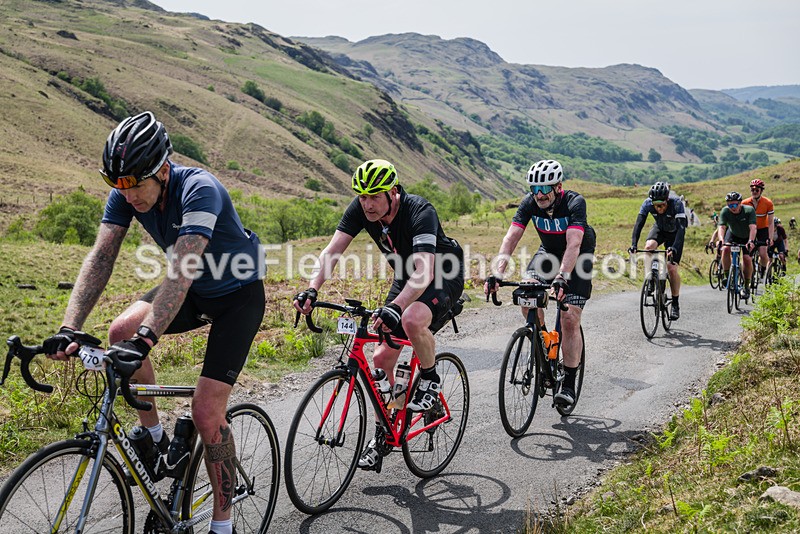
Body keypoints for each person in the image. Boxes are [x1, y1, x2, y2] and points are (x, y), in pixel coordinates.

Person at [42, 111, 264, 534]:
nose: (127, 196)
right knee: (118, 332)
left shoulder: (200, 189)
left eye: (135, 185)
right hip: (194, 292)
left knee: (206, 411)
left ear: (162, 169)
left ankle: (223, 523)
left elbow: (181, 270)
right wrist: (69, 326)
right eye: (117, 185)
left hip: (238, 297)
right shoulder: (126, 191)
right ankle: (159, 441)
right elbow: (103, 257)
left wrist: (146, 340)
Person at [293, 159, 464, 471]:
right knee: (381, 359)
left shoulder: (419, 211)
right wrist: (312, 288)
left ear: (393, 192)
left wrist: (396, 307)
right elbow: (332, 251)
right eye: (362, 197)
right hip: (405, 277)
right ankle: (383, 433)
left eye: (374, 197)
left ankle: (430, 378)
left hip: (441, 274)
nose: (367, 204)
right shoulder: (360, 209)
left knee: (411, 319)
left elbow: (424, 271)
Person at [485, 159, 595, 407]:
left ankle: (568, 382)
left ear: (558, 186)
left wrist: (562, 277)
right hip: (548, 253)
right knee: (527, 292)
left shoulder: (574, 203)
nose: (540, 194)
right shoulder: (529, 203)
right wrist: (497, 273)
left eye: (545, 189)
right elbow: (511, 237)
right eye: (535, 189)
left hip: (578, 257)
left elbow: (574, 244)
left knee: (569, 319)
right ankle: (546, 342)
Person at [628, 181, 686, 320]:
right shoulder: (647, 203)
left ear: (667, 200)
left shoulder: (677, 204)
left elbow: (681, 230)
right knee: (649, 247)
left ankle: (676, 303)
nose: (659, 208)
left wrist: (674, 248)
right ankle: (651, 279)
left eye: (662, 205)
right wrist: (634, 244)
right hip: (660, 229)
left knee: (672, 268)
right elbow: (639, 224)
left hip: (675, 233)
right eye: (656, 205)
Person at [712, 192, 757, 299]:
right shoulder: (725, 211)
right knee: (726, 249)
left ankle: (746, 286)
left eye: (735, 204)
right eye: (730, 205)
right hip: (733, 234)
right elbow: (722, 227)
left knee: (746, 258)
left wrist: (751, 241)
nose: (733, 207)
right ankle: (728, 278)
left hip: (747, 236)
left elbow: (753, 228)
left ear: (740, 203)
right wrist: (721, 240)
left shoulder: (749, 210)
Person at [742, 178, 774, 282]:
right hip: (749, 229)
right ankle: (749, 274)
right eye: (752, 190)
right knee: (748, 256)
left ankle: (762, 270)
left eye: (757, 190)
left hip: (762, 229)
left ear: (761, 191)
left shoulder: (768, 203)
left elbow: (770, 222)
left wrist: (770, 238)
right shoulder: (745, 203)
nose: (754, 192)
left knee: (763, 254)